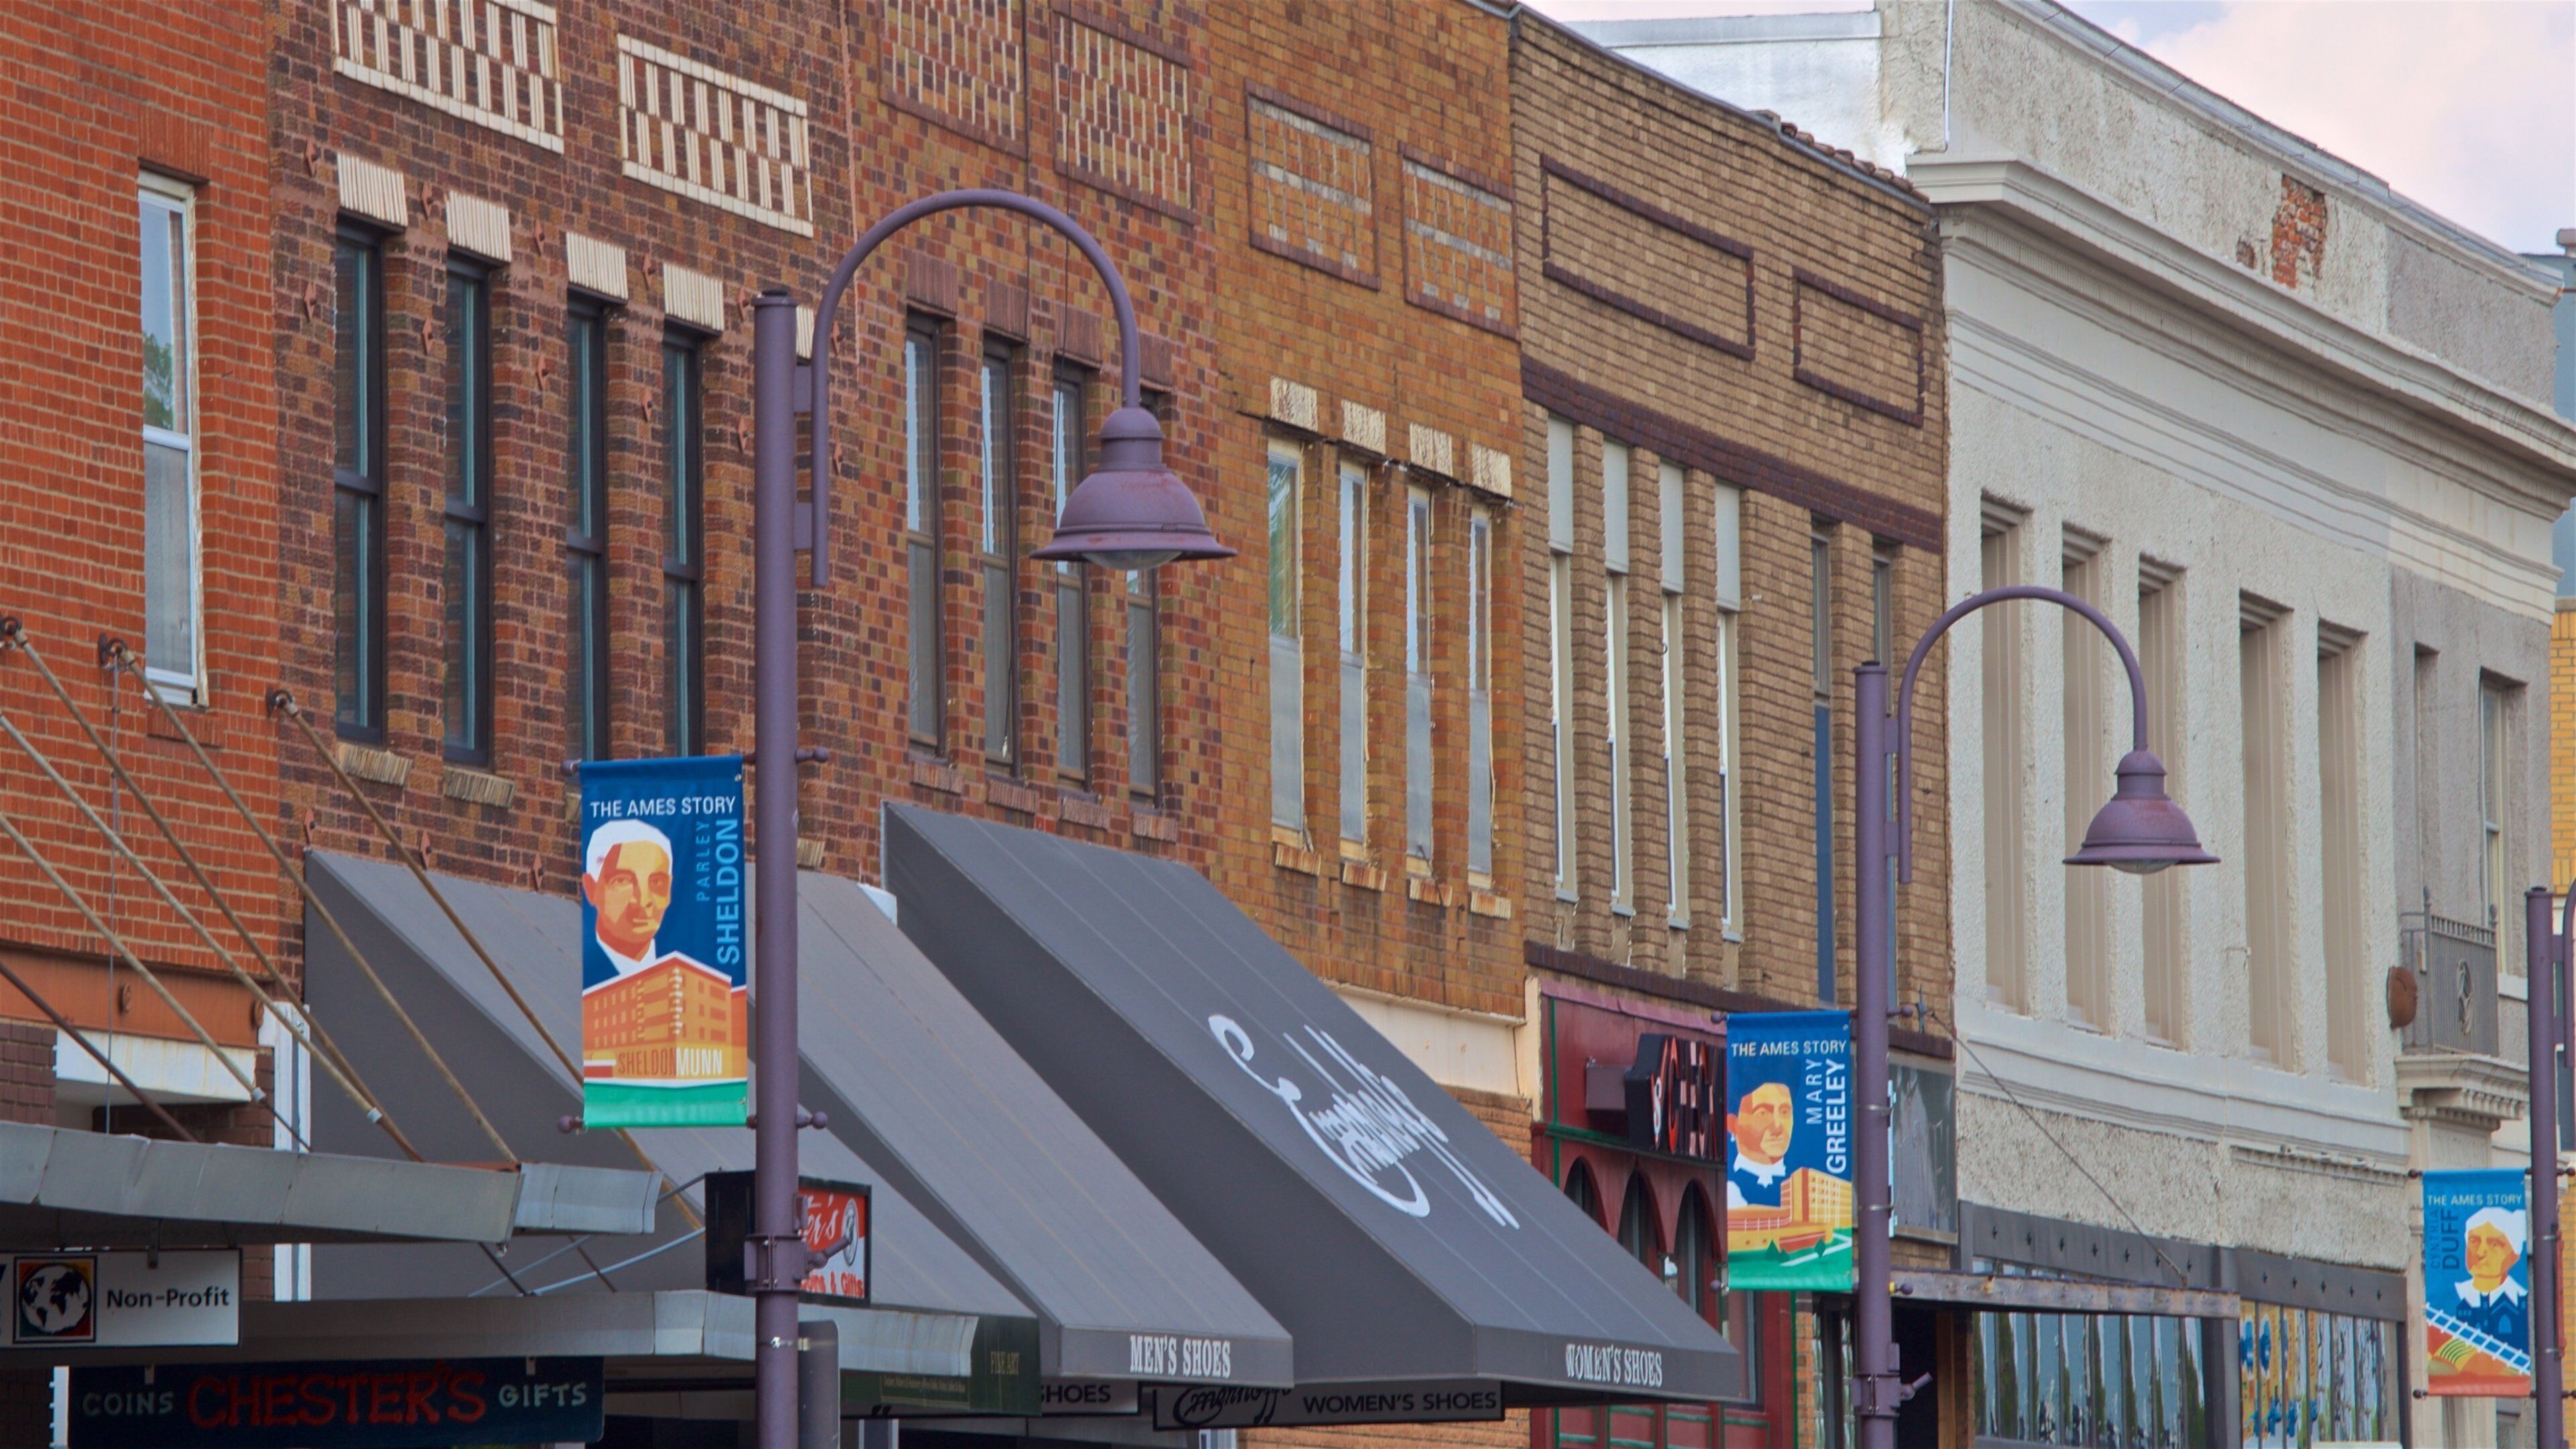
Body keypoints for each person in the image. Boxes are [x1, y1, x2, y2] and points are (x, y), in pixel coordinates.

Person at [582, 819, 674, 981]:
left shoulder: (679, 975)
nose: (643, 900)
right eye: (622, 881)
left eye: (656, 882)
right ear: (591, 889)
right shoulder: (582, 969)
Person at [2452, 1205, 2530, 1352]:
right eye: (2474, 1242)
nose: (2480, 1252)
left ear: (2514, 1256)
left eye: (2494, 1244)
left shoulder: (2520, 1298)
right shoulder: (2453, 1294)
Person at [1726, 1081, 1794, 1210]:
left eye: (1785, 1112)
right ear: (1733, 1124)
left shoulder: (1802, 1182)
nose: (1777, 1127)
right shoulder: (1729, 1187)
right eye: (1763, 1113)